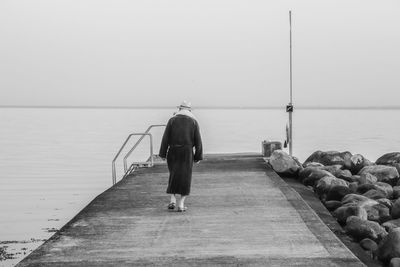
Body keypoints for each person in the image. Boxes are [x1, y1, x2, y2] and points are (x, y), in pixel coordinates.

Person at [159, 101, 203, 212]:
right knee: (185, 178)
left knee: (173, 175)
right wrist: (198, 156)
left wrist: (163, 154)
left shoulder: (172, 120)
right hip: (186, 153)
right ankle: (181, 204)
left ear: (179, 109)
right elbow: (198, 141)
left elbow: (165, 138)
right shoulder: (193, 122)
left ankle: (172, 200)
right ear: (189, 110)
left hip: (173, 151)